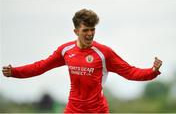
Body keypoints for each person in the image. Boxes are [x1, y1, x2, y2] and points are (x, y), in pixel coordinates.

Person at [2, 9, 162, 113]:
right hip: (73, 110)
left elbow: (130, 72)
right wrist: (15, 72)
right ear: (76, 31)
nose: (90, 34)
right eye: (86, 30)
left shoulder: (104, 53)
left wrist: (152, 71)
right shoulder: (66, 51)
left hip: (97, 111)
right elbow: (40, 66)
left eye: (93, 30)